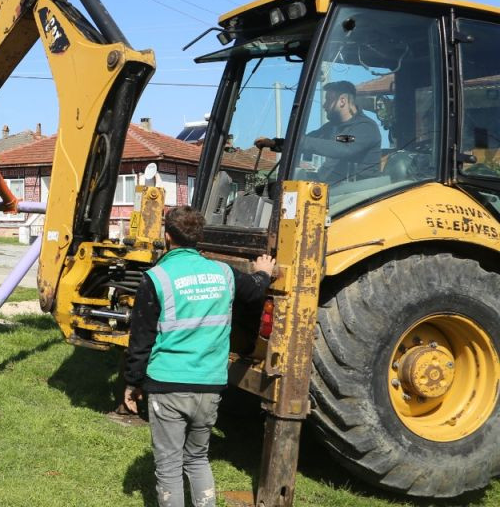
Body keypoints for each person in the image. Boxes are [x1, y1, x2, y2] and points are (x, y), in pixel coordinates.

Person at [122, 206, 275, 507]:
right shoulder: (223, 273)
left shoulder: (156, 278)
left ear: (167, 237)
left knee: (168, 467)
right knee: (197, 459)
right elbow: (255, 292)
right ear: (199, 237)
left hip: (168, 384)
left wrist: (132, 383)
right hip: (209, 386)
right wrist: (264, 273)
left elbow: (141, 339)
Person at [254, 80, 381, 184]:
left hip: (358, 193)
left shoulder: (366, 127)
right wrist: (274, 143)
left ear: (342, 101)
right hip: (335, 188)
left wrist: (302, 141)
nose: (324, 105)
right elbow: (303, 141)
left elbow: (344, 148)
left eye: (328, 100)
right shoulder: (331, 128)